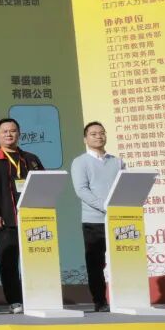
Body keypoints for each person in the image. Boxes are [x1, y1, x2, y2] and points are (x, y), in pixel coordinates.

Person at [0, 117, 43, 314]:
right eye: (5, 131)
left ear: (19, 134)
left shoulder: (31, 159)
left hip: (32, 219)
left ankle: (36, 297)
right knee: (9, 261)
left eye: (13, 131)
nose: (9, 134)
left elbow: (44, 184)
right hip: (6, 220)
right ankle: (14, 300)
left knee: (36, 259)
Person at [70, 121, 123, 312]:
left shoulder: (117, 162)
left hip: (118, 220)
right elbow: (81, 190)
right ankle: (100, 301)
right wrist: (104, 206)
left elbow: (123, 186)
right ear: (85, 139)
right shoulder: (80, 162)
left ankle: (123, 299)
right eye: (93, 134)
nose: (99, 136)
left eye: (102, 133)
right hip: (93, 220)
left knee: (122, 260)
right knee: (96, 264)